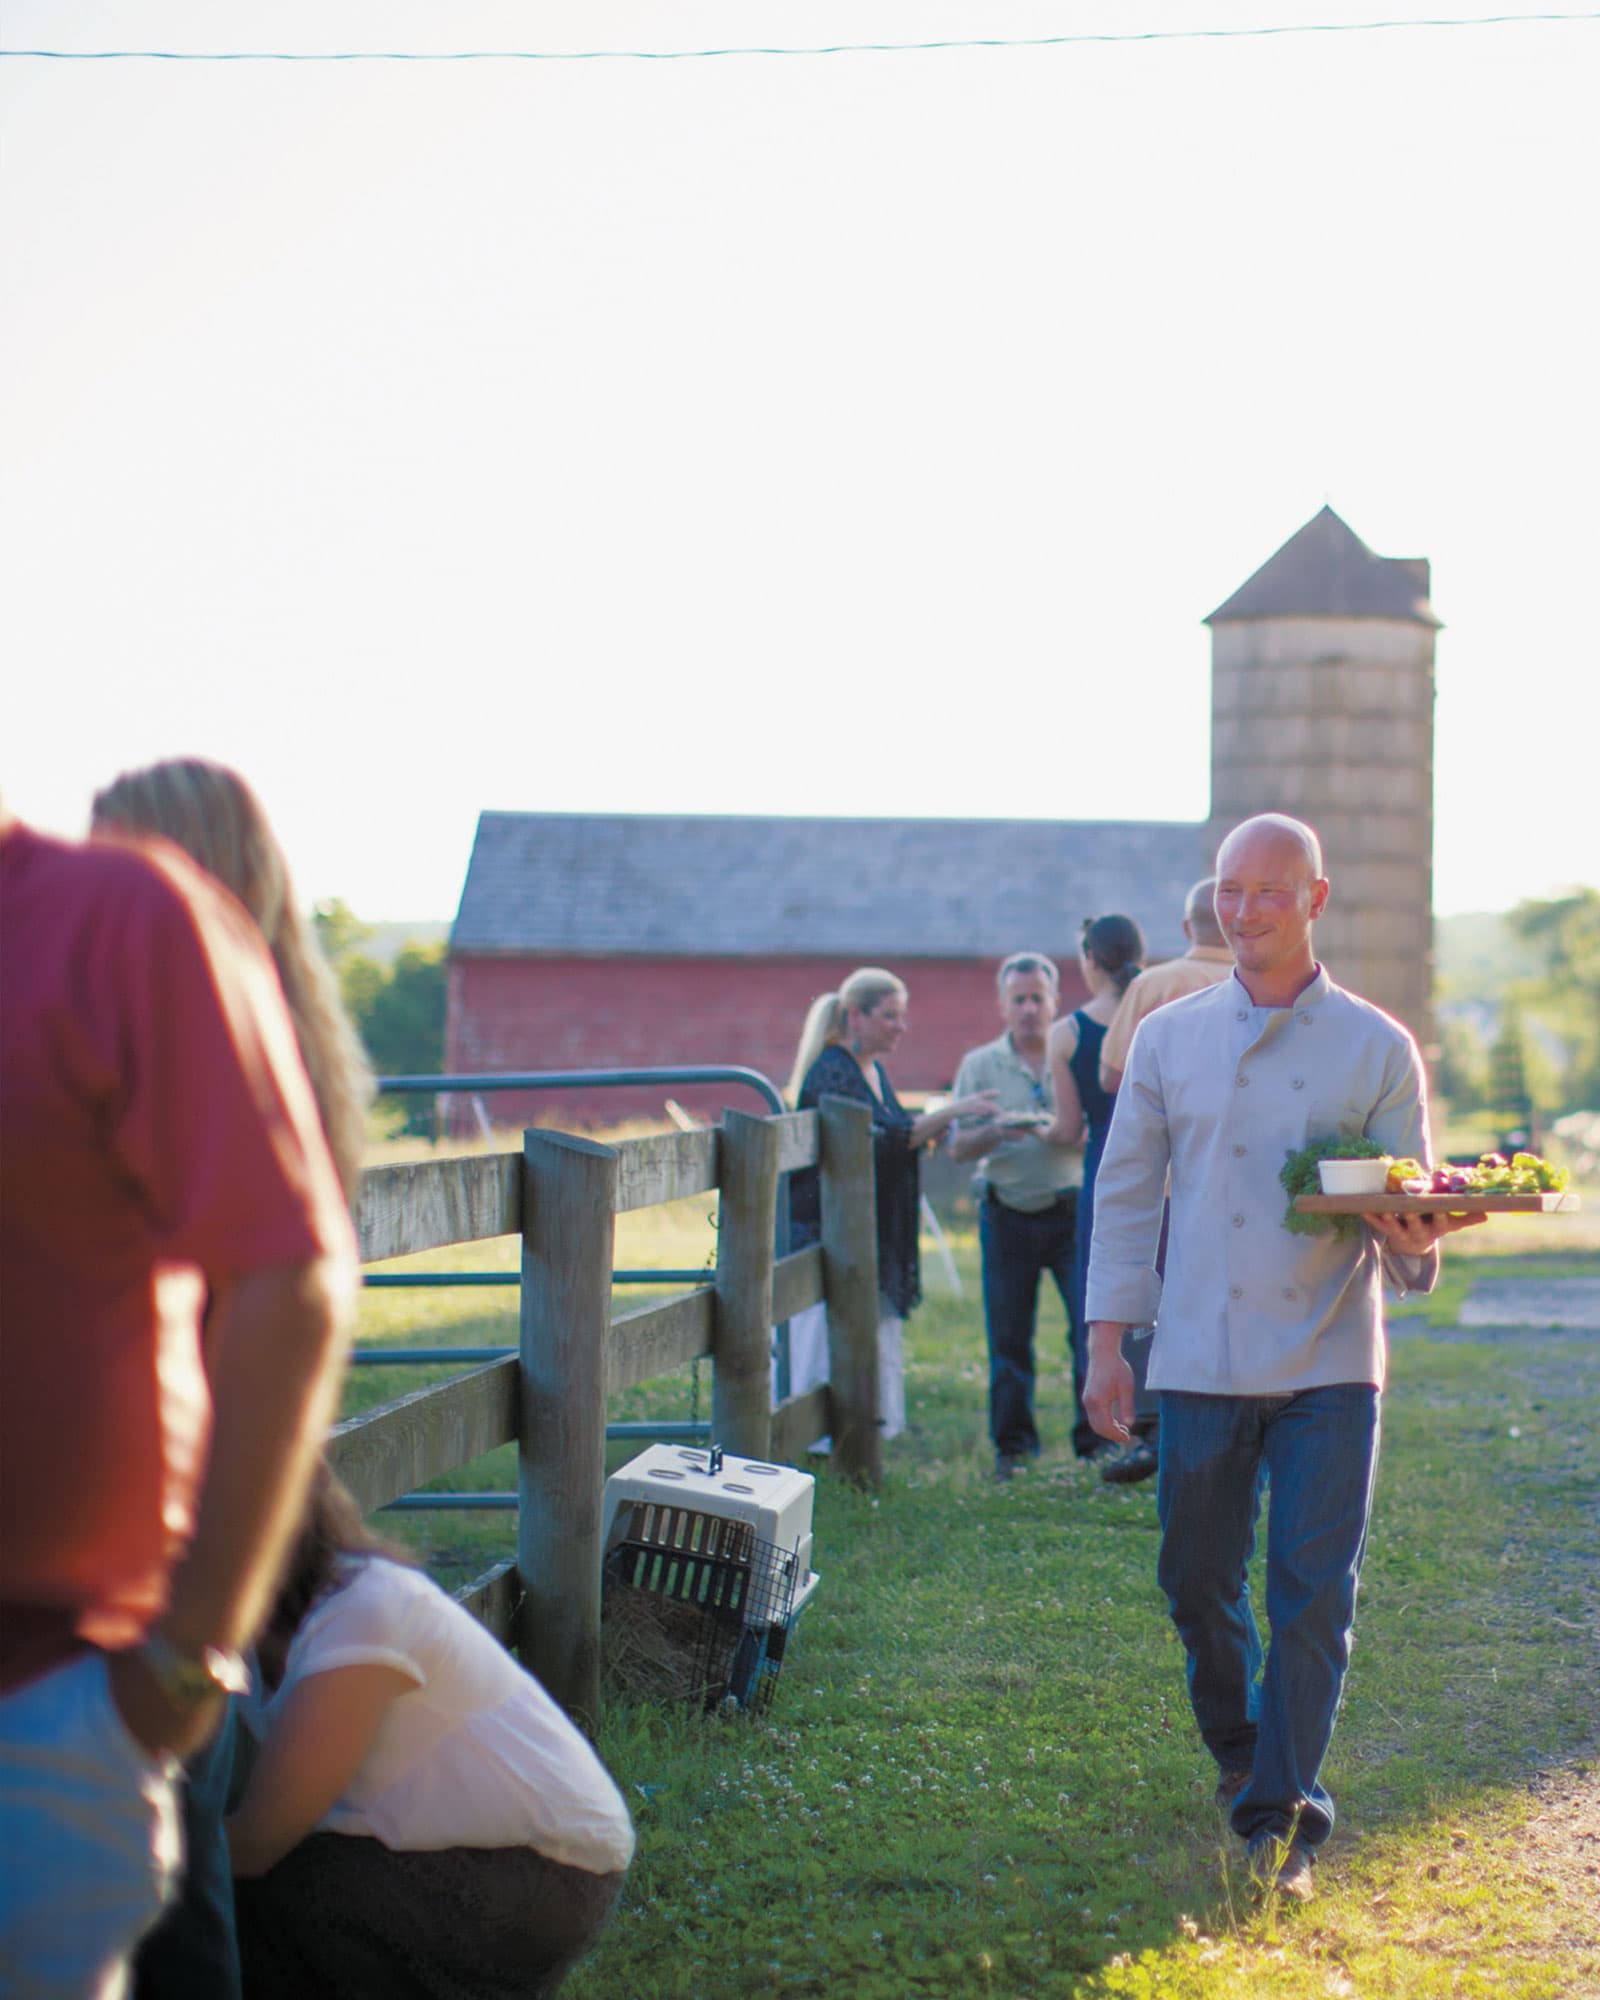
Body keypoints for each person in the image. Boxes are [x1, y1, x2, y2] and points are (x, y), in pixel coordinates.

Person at [1083, 813, 1484, 1901]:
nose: (1245, 909)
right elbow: (1124, 1195)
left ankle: (1279, 1814)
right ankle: (1239, 1747)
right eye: (1229, 889)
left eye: (1269, 890)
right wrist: (1106, 1340)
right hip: (1201, 1351)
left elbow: (1414, 1214)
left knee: (1313, 1592)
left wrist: (1410, 1246)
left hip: (1329, 1355)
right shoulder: (1170, 1035)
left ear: (1314, 899)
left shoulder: (1374, 1043)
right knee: (1196, 1579)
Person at [0, 798, 359, 1998]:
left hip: (46, 1679)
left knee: (194, 1910)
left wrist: (182, 1656)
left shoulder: (117, 922)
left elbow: (289, 1274)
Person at [91, 756, 375, 1999]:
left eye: (119, 856)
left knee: (165, 1867)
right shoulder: (295, 1048)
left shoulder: (196, 1057)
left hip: (154, 1504)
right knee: (175, 1858)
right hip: (222, 1501)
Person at [226, 1463, 633, 1998]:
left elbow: (260, 1840)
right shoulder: (245, 1635)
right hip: (449, 1851)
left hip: (546, 1866)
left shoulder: (364, 1609)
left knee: (267, 1902)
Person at [782, 967, 998, 1442]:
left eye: (902, 1017)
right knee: (821, 1338)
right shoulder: (833, 1070)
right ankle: (820, 1439)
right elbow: (871, 1143)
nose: (901, 1027)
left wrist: (934, 1127)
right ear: (855, 1017)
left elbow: (896, 1135)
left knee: (875, 1335)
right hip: (827, 1233)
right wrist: (950, 1112)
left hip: (870, 1233)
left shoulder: (872, 1071)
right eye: (890, 1016)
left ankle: (870, 1426)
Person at [947, 954, 1086, 1481]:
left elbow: (1097, 1129)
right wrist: (996, 1132)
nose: (1029, 1009)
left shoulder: (1072, 1056)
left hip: (1070, 1213)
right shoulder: (980, 1065)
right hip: (1006, 1211)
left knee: (1087, 1330)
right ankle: (1014, 1449)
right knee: (1009, 1337)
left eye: (1038, 998)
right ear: (1003, 1006)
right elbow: (958, 1148)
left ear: (1055, 1002)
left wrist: (1065, 1130)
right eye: (1019, 999)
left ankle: (1094, 1442)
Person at [1041, 915, 1154, 1484]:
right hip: (1162, 1171)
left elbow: (1065, 1128)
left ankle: (1101, 1434)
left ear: (1089, 959)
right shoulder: (1161, 1016)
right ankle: (1158, 1427)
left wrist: (1031, 1129)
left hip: (1105, 1170)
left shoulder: (1067, 1034)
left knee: (1102, 1301)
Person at [1098, 877, 1233, 1097]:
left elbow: (1111, 1078)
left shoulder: (1152, 984)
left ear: (1187, 928)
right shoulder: (1265, 985)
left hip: (1174, 1123)